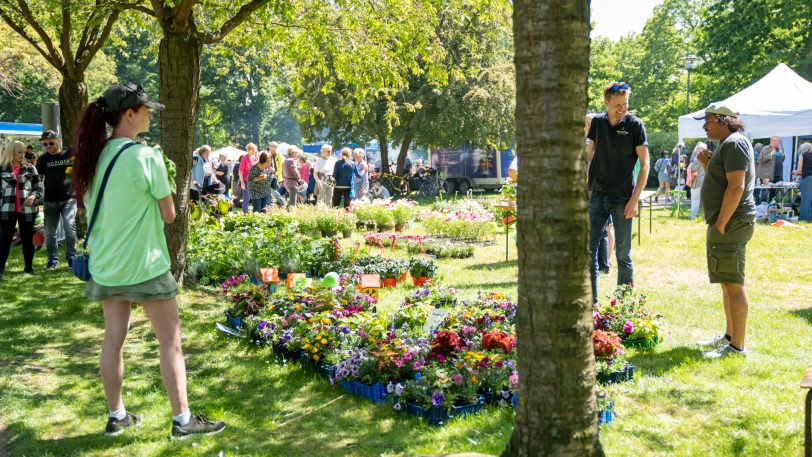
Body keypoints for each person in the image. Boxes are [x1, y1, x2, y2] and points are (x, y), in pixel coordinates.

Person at [70, 82, 225, 438]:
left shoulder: (93, 157)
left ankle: (117, 416)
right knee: (170, 342)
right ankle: (183, 421)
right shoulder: (146, 157)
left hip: (107, 265)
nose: (150, 114)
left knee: (113, 339)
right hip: (146, 264)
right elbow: (170, 215)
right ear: (129, 114)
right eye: (145, 109)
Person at [693, 102, 756, 358]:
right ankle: (729, 337)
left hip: (731, 222)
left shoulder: (735, 143)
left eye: (707, 120)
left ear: (722, 119)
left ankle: (736, 347)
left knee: (733, 283)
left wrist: (721, 223)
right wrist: (709, 165)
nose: (704, 126)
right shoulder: (728, 144)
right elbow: (723, 182)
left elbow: (736, 187)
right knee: (726, 282)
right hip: (726, 223)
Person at [585, 81, 650, 304]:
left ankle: (622, 306)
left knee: (623, 255)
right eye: (617, 105)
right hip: (597, 194)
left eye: (625, 104)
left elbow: (645, 163)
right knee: (588, 252)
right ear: (606, 103)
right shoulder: (598, 123)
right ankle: (590, 304)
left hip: (623, 197)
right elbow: (589, 153)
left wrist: (634, 199)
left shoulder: (635, 125)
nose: (622, 109)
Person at [34, 130, 77, 271]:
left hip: (69, 198)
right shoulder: (43, 159)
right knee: (50, 232)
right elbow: (37, 179)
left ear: (58, 140)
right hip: (50, 200)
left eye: (51, 143)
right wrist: (35, 195)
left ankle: (72, 259)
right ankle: (52, 260)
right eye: (45, 144)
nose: (49, 146)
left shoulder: (71, 153)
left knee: (69, 227)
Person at [0, 140, 42, 279]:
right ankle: (0, 269)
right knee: (4, 239)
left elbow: (39, 188)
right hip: (6, 210)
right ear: (11, 152)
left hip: (28, 210)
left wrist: (33, 196)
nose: (23, 155)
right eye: (20, 152)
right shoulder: (1, 168)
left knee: (27, 239)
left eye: (24, 152)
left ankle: (28, 268)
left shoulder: (31, 168)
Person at [792, 142, 812, 221]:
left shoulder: (802, 156)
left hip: (807, 179)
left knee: (805, 200)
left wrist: (794, 172)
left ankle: (804, 219)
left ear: (803, 149)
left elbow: (799, 170)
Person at [687, 142, 708, 219]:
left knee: (695, 199)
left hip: (698, 180)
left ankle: (693, 216)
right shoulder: (708, 157)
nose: (696, 151)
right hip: (706, 180)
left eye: (697, 149)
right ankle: (705, 216)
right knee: (705, 200)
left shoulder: (698, 157)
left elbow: (693, 168)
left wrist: (690, 165)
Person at [238, 143, 259, 214]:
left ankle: (255, 213)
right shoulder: (244, 158)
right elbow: (240, 171)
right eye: (252, 150)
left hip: (254, 181)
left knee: (255, 198)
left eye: (254, 150)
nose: (254, 151)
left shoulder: (254, 157)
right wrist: (242, 183)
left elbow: (259, 165)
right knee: (246, 199)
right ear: (248, 150)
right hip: (246, 181)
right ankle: (245, 214)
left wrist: (256, 155)